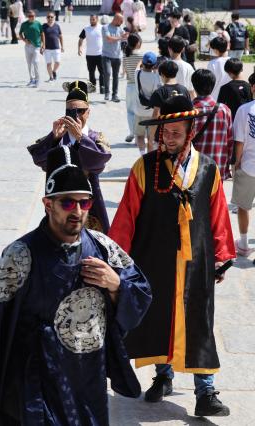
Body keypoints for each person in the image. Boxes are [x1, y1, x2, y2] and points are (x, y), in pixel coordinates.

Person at [0, 145, 152, 426]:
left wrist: (116, 285)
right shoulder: (20, 255)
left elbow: (142, 292)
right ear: (48, 203)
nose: (77, 211)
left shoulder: (103, 248)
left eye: (84, 203)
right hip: (38, 379)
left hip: (88, 379)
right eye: (67, 202)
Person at [109, 95, 235, 418]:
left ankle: (205, 390)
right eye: (165, 131)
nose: (169, 137)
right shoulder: (144, 168)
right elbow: (126, 217)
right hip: (154, 259)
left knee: (199, 322)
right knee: (160, 318)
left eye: (176, 131)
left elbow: (218, 215)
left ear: (190, 131)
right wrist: (114, 257)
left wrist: (222, 254)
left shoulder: (208, 168)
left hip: (197, 263)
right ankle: (163, 376)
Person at [28, 81, 112, 232]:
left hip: (87, 203)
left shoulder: (96, 137)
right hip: (60, 200)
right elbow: (40, 160)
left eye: (81, 110)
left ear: (89, 112)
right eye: (71, 111)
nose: (77, 115)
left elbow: (100, 161)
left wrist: (81, 138)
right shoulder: (58, 137)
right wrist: (53, 139)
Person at [190, 69, 234, 180]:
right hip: (217, 167)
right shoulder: (224, 110)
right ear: (213, 85)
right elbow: (230, 141)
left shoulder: (188, 111)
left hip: (192, 169)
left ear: (194, 85)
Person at [231, 73, 255, 256]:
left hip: (247, 165)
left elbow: (239, 141)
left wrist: (236, 163)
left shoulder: (244, 110)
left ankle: (244, 244)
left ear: (252, 87)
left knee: (243, 206)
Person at [134, 52, 162, 153]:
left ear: (144, 63)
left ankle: (142, 155)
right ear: (154, 65)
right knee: (151, 138)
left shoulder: (137, 74)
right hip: (152, 112)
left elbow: (137, 66)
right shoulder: (156, 77)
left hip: (139, 111)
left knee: (140, 136)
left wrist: (140, 61)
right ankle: (150, 158)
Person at [102, 13, 128, 102]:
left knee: (116, 76)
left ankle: (115, 95)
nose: (122, 23)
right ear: (116, 19)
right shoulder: (105, 27)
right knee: (108, 73)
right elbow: (109, 39)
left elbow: (125, 37)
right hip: (106, 56)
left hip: (117, 56)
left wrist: (126, 35)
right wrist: (121, 37)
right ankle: (107, 92)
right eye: (121, 21)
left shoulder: (120, 28)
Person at [124, 33, 144, 144]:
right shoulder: (141, 56)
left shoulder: (126, 55)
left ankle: (132, 132)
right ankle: (139, 135)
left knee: (130, 111)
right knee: (139, 112)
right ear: (137, 43)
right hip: (139, 86)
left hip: (130, 85)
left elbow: (126, 72)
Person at [78, 15, 105, 95]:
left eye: (93, 19)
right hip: (90, 55)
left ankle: (102, 87)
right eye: (90, 19)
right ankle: (92, 87)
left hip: (100, 54)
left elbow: (107, 38)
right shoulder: (86, 29)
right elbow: (81, 39)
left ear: (97, 19)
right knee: (91, 72)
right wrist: (79, 48)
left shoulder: (102, 28)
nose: (92, 21)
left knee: (102, 72)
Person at [19, 10, 43, 87]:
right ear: (27, 16)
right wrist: (24, 40)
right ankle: (31, 79)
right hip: (27, 46)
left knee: (36, 62)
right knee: (29, 63)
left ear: (35, 16)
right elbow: (20, 34)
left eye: (32, 16)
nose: (31, 17)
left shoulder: (38, 24)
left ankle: (37, 79)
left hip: (36, 46)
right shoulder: (24, 24)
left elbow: (42, 34)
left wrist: (43, 44)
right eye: (29, 16)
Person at [41, 12, 64, 82]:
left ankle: (53, 71)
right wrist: (42, 46)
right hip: (47, 48)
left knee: (58, 62)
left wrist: (62, 46)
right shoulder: (43, 26)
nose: (50, 18)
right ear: (46, 18)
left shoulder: (57, 26)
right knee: (48, 64)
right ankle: (51, 77)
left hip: (56, 47)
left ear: (54, 17)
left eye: (51, 17)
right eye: (48, 17)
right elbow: (41, 36)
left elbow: (60, 36)